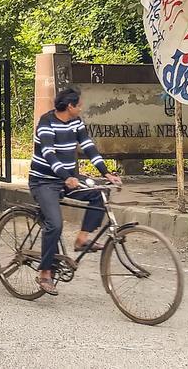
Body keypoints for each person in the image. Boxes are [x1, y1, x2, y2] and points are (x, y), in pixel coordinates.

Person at [30, 86, 121, 295]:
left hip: (68, 179)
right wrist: (66, 177)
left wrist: (106, 173)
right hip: (44, 181)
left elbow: (88, 147)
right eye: (79, 105)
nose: (81, 108)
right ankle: (45, 272)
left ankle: (82, 239)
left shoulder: (76, 122)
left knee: (100, 192)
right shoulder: (46, 123)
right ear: (70, 106)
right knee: (55, 224)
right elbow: (49, 154)